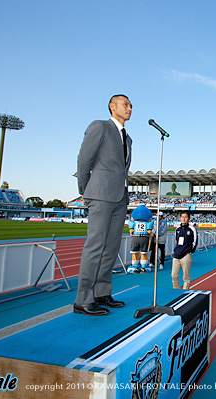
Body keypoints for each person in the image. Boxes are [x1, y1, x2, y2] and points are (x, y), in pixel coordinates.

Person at [74, 94, 132, 316]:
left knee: (111, 247)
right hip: (100, 194)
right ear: (112, 106)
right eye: (125, 104)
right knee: (95, 246)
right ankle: (83, 299)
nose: (129, 108)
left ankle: (101, 293)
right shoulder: (100, 127)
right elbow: (84, 160)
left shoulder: (128, 138)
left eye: (130, 105)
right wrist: (85, 191)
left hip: (120, 197)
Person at [172, 211, 197, 289]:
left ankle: (185, 292)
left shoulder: (192, 229)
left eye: (185, 217)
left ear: (189, 219)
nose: (183, 219)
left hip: (186, 255)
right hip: (177, 255)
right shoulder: (177, 229)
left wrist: (189, 251)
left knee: (186, 276)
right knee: (174, 275)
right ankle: (176, 291)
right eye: (182, 217)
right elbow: (177, 240)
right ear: (180, 218)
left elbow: (195, 241)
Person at [127, 205, 154, 273]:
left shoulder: (134, 223)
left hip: (135, 237)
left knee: (135, 252)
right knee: (144, 253)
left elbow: (131, 230)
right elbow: (149, 231)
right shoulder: (147, 223)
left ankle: (135, 265)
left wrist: (132, 230)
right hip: (144, 238)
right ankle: (144, 266)